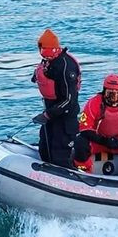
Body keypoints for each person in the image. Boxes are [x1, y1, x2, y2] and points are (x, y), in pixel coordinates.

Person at [73, 74, 118, 175]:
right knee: (80, 141)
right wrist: (104, 141)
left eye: (117, 93)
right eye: (110, 92)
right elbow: (85, 129)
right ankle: (84, 171)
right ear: (104, 91)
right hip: (98, 141)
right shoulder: (93, 103)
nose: (113, 96)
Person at [31, 28, 81, 168]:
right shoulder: (48, 62)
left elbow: (69, 100)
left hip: (64, 117)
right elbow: (43, 74)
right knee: (45, 149)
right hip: (51, 114)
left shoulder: (66, 67)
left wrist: (47, 114)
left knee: (59, 155)